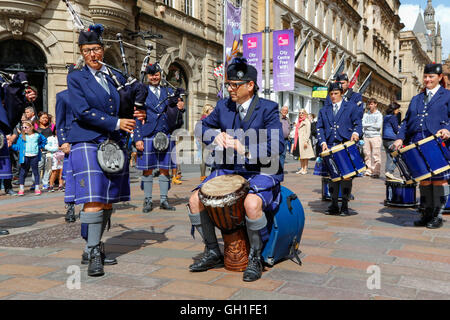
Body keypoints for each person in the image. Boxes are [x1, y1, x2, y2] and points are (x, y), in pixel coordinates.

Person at [187, 58, 284, 282]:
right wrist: (214, 135)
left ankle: (255, 257)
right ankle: (212, 251)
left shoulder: (268, 108)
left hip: (261, 170)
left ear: (250, 85)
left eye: (234, 85)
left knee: (251, 203)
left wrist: (246, 148)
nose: (229, 88)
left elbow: (278, 145)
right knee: (195, 200)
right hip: (229, 169)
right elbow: (200, 126)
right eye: (228, 84)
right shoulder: (223, 105)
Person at [66, 24, 145, 277]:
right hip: (87, 140)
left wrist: (137, 109)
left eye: (97, 49)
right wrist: (116, 122)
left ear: (102, 49)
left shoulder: (114, 77)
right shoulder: (76, 77)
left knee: (108, 200)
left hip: (113, 142)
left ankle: (94, 241)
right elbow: (82, 112)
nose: (93, 54)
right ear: (81, 52)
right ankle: (93, 251)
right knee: (93, 198)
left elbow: (126, 102)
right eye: (87, 50)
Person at [393, 63, 450, 229]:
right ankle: (426, 213)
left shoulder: (447, 96)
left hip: (437, 143)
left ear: (440, 78)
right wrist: (399, 138)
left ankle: (437, 216)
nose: (427, 80)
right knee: (424, 181)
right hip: (417, 144)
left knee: (439, 181)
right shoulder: (416, 98)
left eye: (431, 77)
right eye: (425, 76)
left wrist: (447, 129)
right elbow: (406, 122)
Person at [134, 63, 185, 213]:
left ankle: (163, 199)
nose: (154, 77)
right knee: (147, 170)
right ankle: (148, 200)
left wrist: (180, 106)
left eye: (156, 74)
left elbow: (177, 111)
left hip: (165, 133)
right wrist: (137, 138)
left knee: (165, 169)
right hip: (148, 133)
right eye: (151, 75)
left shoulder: (168, 91)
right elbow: (137, 116)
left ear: (160, 75)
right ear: (148, 76)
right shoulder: (142, 92)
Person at [316, 82, 362, 216]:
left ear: (341, 94)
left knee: (346, 177)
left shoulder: (351, 107)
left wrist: (355, 133)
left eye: (336, 93)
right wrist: (323, 141)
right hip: (330, 145)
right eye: (331, 94)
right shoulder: (324, 109)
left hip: (345, 145)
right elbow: (319, 127)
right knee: (332, 177)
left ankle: (345, 205)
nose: (333, 96)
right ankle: (334, 204)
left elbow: (358, 123)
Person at [55, 82, 77, 223]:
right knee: (70, 176)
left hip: (89, 139)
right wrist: (63, 141)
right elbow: (60, 121)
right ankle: (70, 206)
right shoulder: (62, 96)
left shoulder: (90, 94)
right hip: (71, 141)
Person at [11, 120, 47, 196]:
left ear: (31, 127)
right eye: (23, 127)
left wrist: (40, 147)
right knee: (23, 172)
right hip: (25, 157)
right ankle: (21, 188)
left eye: (26, 127)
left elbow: (44, 140)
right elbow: (17, 146)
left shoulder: (37, 135)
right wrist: (11, 146)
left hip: (35, 156)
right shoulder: (21, 136)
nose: (24, 129)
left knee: (35, 172)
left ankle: (37, 188)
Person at [362, 98, 383, 178]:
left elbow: (378, 126)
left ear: (375, 104)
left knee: (376, 154)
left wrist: (368, 125)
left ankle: (376, 171)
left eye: (371, 104)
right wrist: (372, 125)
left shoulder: (379, 115)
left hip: (375, 137)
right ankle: (368, 170)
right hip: (366, 136)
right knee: (366, 154)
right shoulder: (366, 114)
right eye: (369, 104)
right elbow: (363, 124)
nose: (370, 106)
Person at [35, 112, 55, 190]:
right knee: (39, 167)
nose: (45, 119)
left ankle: (45, 183)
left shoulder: (51, 126)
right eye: (43, 118)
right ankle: (35, 182)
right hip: (39, 150)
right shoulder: (36, 127)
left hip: (49, 151)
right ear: (39, 119)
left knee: (48, 168)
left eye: (46, 118)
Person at [291, 109, 315, 174]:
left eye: (302, 113)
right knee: (301, 156)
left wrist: (306, 141)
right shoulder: (299, 121)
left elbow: (308, 132)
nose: (301, 114)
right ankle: (302, 168)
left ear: (305, 113)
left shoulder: (306, 121)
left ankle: (305, 169)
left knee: (305, 156)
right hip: (299, 140)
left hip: (304, 140)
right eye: (300, 113)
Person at [382, 102, 402, 181]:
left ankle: (388, 174)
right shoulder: (393, 117)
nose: (398, 111)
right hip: (391, 139)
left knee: (389, 157)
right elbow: (396, 129)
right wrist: (400, 129)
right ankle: (390, 171)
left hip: (385, 139)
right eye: (397, 109)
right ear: (394, 110)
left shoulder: (386, 117)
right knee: (398, 156)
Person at [196, 104, 215, 181]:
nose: (212, 110)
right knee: (205, 157)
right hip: (204, 140)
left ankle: (206, 174)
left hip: (208, 139)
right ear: (207, 110)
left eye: (212, 108)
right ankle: (203, 175)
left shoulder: (210, 118)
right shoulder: (205, 118)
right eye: (211, 109)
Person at [44, 127, 64, 192]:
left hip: (62, 156)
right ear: (54, 130)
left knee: (61, 171)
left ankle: (61, 185)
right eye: (57, 130)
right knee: (54, 171)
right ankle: (51, 185)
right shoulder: (50, 138)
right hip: (54, 156)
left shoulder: (64, 138)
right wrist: (56, 148)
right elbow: (46, 146)